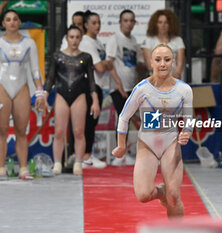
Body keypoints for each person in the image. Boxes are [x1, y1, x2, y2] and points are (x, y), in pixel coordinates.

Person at [112, 44, 193, 218]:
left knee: (173, 196)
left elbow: (188, 119)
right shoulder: (141, 89)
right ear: (151, 62)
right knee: (143, 195)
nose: (162, 64)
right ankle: (161, 193)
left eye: (167, 59)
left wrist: (186, 131)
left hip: (170, 143)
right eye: (158, 60)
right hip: (147, 145)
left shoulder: (184, 90)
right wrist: (121, 146)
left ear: (173, 62)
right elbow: (124, 117)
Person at [44, 25, 100, 176]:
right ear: (66, 38)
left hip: (79, 96)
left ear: (81, 39)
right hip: (62, 95)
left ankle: (78, 163)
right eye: (71, 37)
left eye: (77, 37)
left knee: (78, 131)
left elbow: (91, 82)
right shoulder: (57, 56)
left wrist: (95, 100)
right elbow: (50, 79)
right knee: (59, 131)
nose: (74, 40)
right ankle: (57, 163)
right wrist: (44, 95)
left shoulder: (86, 57)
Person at [0, 10, 47, 180]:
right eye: (8, 19)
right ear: (3, 23)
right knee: (2, 130)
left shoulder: (29, 43)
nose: (12, 22)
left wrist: (40, 93)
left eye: (15, 19)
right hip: (2, 88)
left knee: (21, 130)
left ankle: (23, 168)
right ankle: (1, 168)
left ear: (19, 22)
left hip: (21, 88)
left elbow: (35, 70)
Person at [71, 10, 110, 169]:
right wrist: (107, 64)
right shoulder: (86, 42)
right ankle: (85, 156)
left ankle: (84, 155)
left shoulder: (98, 42)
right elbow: (101, 67)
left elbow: (103, 66)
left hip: (98, 86)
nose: (97, 26)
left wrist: (105, 64)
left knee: (91, 123)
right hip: (88, 87)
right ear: (85, 25)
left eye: (99, 22)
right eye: (94, 23)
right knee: (86, 123)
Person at [105, 9, 139, 166]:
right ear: (120, 22)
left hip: (132, 87)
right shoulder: (114, 39)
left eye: (131, 20)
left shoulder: (133, 41)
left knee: (128, 119)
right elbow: (109, 64)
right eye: (125, 20)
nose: (128, 23)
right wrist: (119, 85)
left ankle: (123, 153)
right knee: (123, 119)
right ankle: (118, 154)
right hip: (119, 88)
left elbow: (134, 65)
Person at [142, 9, 185, 79]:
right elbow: (150, 66)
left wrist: (174, 76)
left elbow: (180, 64)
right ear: (155, 24)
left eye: (166, 22)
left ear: (171, 24)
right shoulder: (148, 41)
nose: (163, 25)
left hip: (174, 79)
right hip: (155, 80)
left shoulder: (178, 40)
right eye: (160, 22)